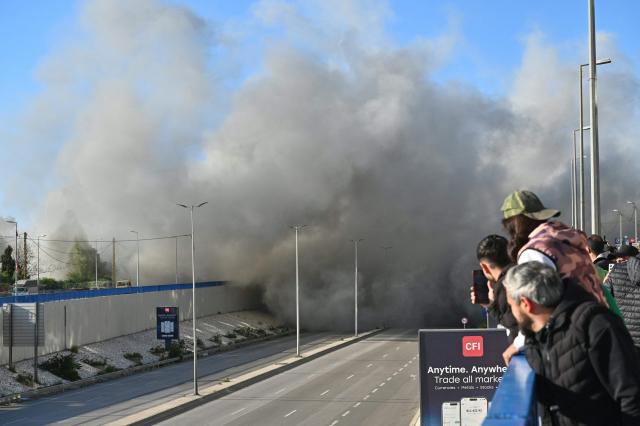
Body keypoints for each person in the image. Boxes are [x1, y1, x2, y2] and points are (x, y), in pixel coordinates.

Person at [504, 262, 640, 425]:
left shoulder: (596, 325)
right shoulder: (537, 336)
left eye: (511, 306)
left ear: (526, 304)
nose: (512, 314)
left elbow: (631, 396)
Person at [499, 190, 607, 362]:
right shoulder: (565, 241)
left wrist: (519, 343)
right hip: (601, 328)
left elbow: (537, 307)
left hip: (574, 341)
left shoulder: (533, 252)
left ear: (514, 223)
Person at [470, 235, 517, 342]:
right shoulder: (525, 272)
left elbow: (513, 328)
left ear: (484, 267)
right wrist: (491, 305)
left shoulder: (504, 286)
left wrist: (493, 306)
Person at [604, 244, 640, 355]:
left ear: (625, 258)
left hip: (626, 335)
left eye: (620, 257)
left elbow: (604, 300)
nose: (618, 260)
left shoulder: (615, 272)